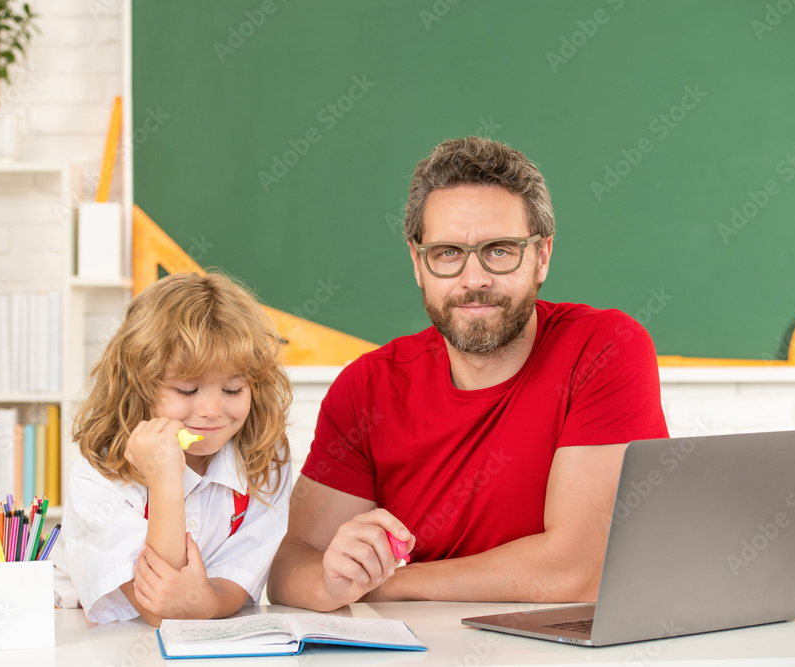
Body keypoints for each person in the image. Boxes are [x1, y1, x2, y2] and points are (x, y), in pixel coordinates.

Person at [266, 136, 669, 611]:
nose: (473, 279)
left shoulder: (604, 347)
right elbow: (291, 566)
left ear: (542, 256)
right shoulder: (366, 387)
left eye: (499, 251)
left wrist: (391, 583)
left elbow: (579, 570)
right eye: (448, 253)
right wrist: (332, 581)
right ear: (419, 263)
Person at [53, 272, 292, 625]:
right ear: (138, 385)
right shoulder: (98, 474)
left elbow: (238, 578)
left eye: (232, 390)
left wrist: (206, 603)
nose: (211, 411)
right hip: (85, 638)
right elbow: (157, 609)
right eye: (186, 390)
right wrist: (166, 479)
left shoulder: (264, 461)